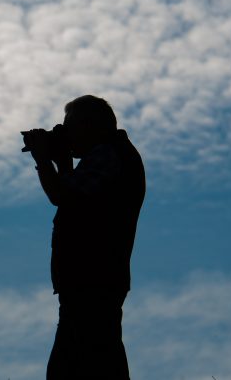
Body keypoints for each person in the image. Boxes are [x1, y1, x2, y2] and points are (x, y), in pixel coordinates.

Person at [22, 95, 145, 380]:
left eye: (70, 126)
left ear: (88, 126)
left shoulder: (108, 153)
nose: (65, 133)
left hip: (93, 277)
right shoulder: (112, 154)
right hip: (91, 278)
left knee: (92, 361)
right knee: (90, 361)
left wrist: (43, 159)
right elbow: (76, 201)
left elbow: (60, 195)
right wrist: (64, 163)